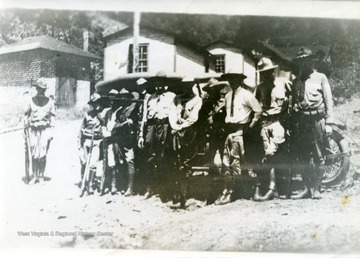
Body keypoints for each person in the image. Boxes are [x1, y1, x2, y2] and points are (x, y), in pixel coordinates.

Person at [290, 47, 334, 199]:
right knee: (303, 156)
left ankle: (317, 187)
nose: (303, 64)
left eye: (306, 61)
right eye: (300, 62)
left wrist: (329, 123)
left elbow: (329, 101)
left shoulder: (321, 77)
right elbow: (294, 102)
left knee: (318, 156)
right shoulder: (296, 81)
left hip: (317, 120)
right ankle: (307, 188)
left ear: (311, 61)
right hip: (302, 122)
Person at [216, 73, 262, 205]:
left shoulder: (247, 95)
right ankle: (230, 191)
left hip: (241, 131)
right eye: (230, 79)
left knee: (243, 161)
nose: (232, 82)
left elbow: (258, 111)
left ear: (240, 80)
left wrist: (251, 126)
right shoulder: (228, 95)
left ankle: (250, 191)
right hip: (229, 132)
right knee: (228, 161)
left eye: (235, 79)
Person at [253, 57, 292, 201]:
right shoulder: (259, 88)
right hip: (264, 124)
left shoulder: (283, 84)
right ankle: (272, 188)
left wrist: (288, 119)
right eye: (263, 73)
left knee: (272, 153)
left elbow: (291, 100)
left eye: (268, 72)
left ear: (272, 71)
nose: (266, 75)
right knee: (268, 155)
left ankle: (273, 188)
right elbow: (255, 105)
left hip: (278, 123)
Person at [138, 71, 177, 199]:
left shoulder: (172, 96)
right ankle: (150, 188)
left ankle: (165, 190)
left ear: (165, 83)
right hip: (152, 127)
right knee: (150, 157)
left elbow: (174, 115)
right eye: (156, 82)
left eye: (161, 82)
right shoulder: (150, 98)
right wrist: (141, 135)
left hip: (165, 126)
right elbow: (144, 117)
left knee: (164, 157)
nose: (158, 84)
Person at [168, 81, 203, 208]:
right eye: (184, 85)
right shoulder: (177, 99)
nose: (186, 88)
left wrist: (181, 126)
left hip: (189, 132)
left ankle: (186, 196)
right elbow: (172, 114)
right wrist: (175, 126)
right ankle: (178, 193)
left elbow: (193, 118)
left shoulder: (197, 100)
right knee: (177, 161)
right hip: (177, 131)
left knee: (187, 162)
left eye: (189, 85)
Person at [24, 80, 55, 185]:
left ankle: (41, 176)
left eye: (43, 89)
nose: (41, 91)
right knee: (34, 153)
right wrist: (25, 127)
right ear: (36, 89)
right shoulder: (30, 100)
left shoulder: (50, 102)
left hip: (45, 130)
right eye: (39, 89)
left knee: (42, 154)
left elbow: (53, 117)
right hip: (33, 130)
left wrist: (51, 132)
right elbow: (26, 114)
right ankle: (34, 176)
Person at [112, 88, 139, 197]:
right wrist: (122, 125)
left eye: (125, 96)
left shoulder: (133, 109)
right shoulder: (119, 111)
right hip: (120, 138)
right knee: (120, 160)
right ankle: (122, 185)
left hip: (129, 139)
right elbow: (115, 125)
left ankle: (130, 188)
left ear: (129, 97)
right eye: (122, 96)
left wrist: (122, 125)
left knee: (130, 161)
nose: (123, 98)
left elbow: (132, 123)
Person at [78, 92, 104, 196]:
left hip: (97, 141)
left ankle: (90, 184)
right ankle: (83, 181)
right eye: (94, 103)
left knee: (93, 164)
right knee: (84, 162)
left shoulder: (102, 116)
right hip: (87, 141)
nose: (96, 105)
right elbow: (81, 130)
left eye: (98, 103)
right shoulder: (86, 115)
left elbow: (105, 128)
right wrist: (79, 145)